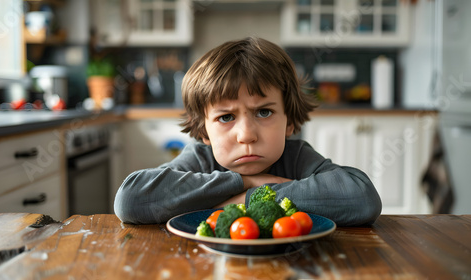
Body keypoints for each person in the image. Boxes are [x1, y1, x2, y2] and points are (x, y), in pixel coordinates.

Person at [114, 37, 382, 226]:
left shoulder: (296, 156)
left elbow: (362, 198)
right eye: (226, 117)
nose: (246, 135)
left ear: (289, 120)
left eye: (264, 112)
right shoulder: (200, 159)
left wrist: (249, 199)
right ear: (204, 131)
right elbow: (130, 199)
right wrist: (248, 182)